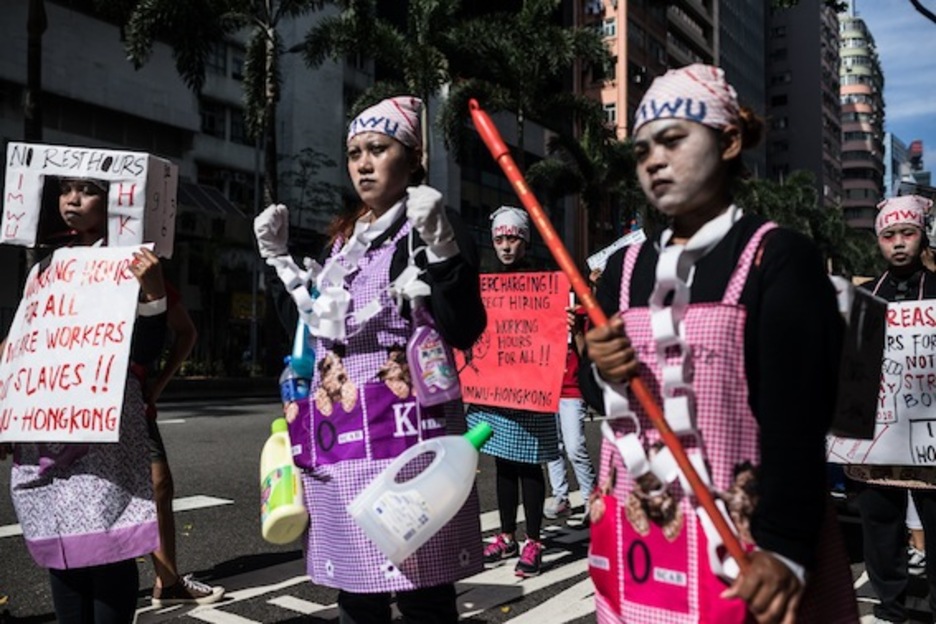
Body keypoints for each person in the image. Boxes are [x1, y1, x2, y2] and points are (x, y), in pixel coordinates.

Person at [579, 64, 856, 623]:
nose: (654, 160)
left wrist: (783, 549)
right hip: (642, 536)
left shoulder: (775, 258)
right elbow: (599, 395)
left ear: (729, 141)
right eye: (641, 151)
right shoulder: (623, 270)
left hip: (747, 548)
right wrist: (600, 365)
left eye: (673, 140)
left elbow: (798, 416)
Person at [254, 95, 486, 623]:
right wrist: (278, 263)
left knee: (424, 590)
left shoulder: (431, 228)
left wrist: (445, 250)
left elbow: (464, 327)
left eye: (378, 149)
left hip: (411, 442)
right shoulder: (340, 246)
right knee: (357, 596)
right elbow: (307, 338)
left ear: (411, 156)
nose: (362, 162)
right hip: (343, 442)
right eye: (354, 151)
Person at [3, 176, 168, 623]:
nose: (72, 200)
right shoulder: (44, 266)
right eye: (66, 190)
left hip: (104, 426)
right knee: (60, 542)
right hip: (47, 422)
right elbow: (23, 342)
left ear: (114, 198)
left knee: (107, 539)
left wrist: (153, 294)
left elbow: (147, 349)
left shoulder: (132, 260)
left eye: (87, 190)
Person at [845, 194, 936, 624]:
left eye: (907, 233)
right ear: (878, 240)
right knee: (880, 524)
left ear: (922, 235)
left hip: (930, 438)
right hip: (875, 440)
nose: (898, 243)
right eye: (888, 235)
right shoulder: (861, 299)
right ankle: (890, 607)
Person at [465, 206, 560, 578]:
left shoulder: (543, 282)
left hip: (531, 389)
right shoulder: (488, 282)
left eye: (513, 238)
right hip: (498, 390)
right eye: (500, 238)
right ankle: (507, 534)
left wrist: (562, 321)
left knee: (529, 464)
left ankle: (533, 539)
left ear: (525, 240)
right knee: (503, 463)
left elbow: (549, 334)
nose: (506, 246)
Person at [145, 289, 226, 607]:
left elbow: (186, 331)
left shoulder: (148, 273)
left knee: (159, 484)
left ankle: (167, 582)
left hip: (129, 396)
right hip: (76, 396)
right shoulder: (63, 268)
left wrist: (157, 385)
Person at [544, 301, 597, 524]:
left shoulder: (583, 312)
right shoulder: (543, 307)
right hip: (547, 388)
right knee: (552, 446)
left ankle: (591, 498)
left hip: (573, 389)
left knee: (575, 446)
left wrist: (575, 331)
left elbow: (587, 354)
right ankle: (560, 496)